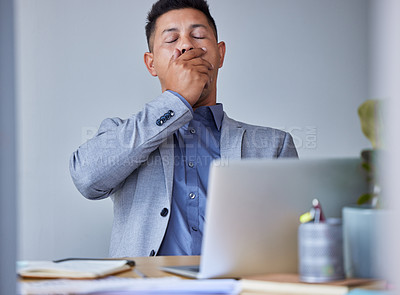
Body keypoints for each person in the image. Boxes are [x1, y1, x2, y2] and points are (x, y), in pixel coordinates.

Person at [70, 0, 298, 258]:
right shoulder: (123, 134)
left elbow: (291, 242)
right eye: (171, 39)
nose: (187, 45)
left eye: (198, 35)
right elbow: (86, 179)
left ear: (220, 54)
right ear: (151, 63)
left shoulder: (273, 145)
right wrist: (177, 99)